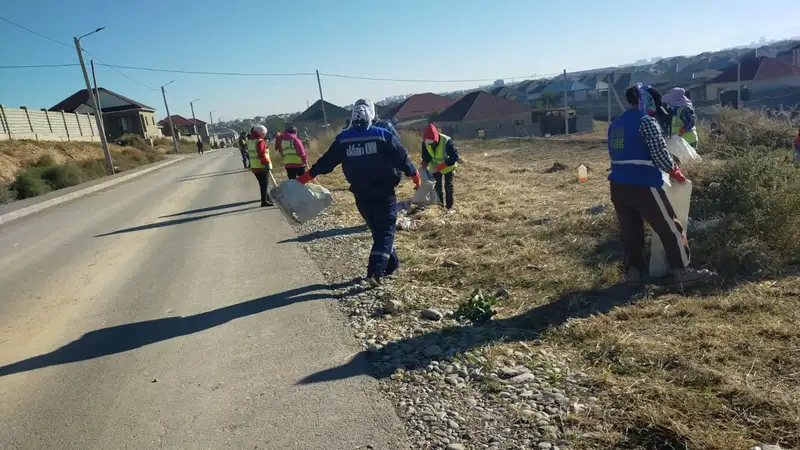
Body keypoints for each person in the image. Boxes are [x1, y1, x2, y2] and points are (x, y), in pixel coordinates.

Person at [296, 99, 420, 286]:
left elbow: (326, 162)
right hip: (383, 191)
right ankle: (375, 272)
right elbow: (400, 157)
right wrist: (414, 174)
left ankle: (391, 264)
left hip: (361, 194)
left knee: (378, 231)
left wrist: (306, 177)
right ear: (372, 115)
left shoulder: (343, 138)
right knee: (386, 231)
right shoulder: (383, 135)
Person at [607, 84, 712, 287]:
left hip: (618, 185)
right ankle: (683, 271)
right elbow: (660, 155)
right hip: (643, 184)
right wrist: (675, 171)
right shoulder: (646, 122)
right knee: (670, 227)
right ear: (647, 101)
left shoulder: (616, 123)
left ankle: (633, 273)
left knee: (631, 231)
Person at [421, 123, 460, 210]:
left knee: (448, 187)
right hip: (435, 168)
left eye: (432, 141)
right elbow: (426, 156)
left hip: (448, 167)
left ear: (435, 138)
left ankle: (449, 207)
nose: (430, 144)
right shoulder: (425, 142)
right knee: (437, 187)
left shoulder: (446, 141)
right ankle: (440, 207)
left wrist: (443, 165)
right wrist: (424, 165)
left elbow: (455, 156)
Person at [246, 125, 274, 207]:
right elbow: (261, 154)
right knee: (264, 185)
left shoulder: (250, 141)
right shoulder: (259, 142)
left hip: (254, 167)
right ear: (261, 133)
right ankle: (264, 201)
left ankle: (268, 199)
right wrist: (266, 164)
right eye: (264, 134)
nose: (265, 135)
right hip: (261, 166)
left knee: (263, 184)